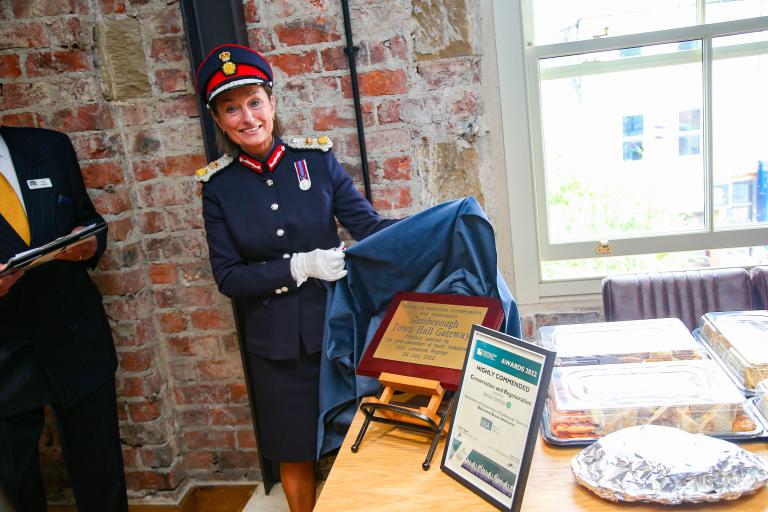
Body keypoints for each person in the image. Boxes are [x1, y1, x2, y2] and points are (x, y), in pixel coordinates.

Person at [194, 44, 395, 512]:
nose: (247, 117)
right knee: (295, 453)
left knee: (357, 441)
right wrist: (298, 267)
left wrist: (432, 227)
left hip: (337, 332)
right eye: (231, 108)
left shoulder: (317, 161)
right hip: (276, 349)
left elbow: (368, 227)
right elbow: (228, 277)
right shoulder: (218, 189)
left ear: (272, 103)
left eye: (254, 102)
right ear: (219, 121)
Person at [0, 125, 128, 512]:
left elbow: (89, 220)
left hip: (74, 335)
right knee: (15, 487)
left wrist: (90, 243)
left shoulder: (49, 146)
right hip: (3, 351)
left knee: (102, 477)